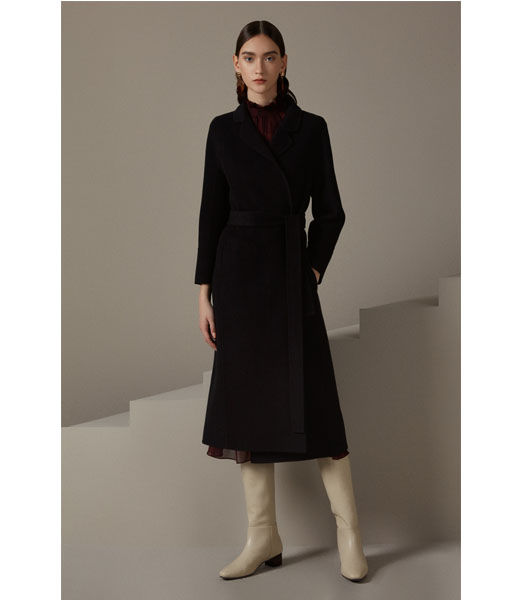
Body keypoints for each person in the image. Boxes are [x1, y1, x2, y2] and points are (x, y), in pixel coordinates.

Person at [194, 20, 369, 583]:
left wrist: (312, 267)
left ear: (285, 63)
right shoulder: (222, 131)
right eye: (249, 57)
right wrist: (204, 292)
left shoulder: (312, 129)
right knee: (247, 410)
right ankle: (262, 535)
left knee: (317, 405)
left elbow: (332, 211)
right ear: (236, 65)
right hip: (238, 281)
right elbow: (211, 213)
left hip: (293, 277)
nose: (260, 68)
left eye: (270, 57)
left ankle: (349, 534)